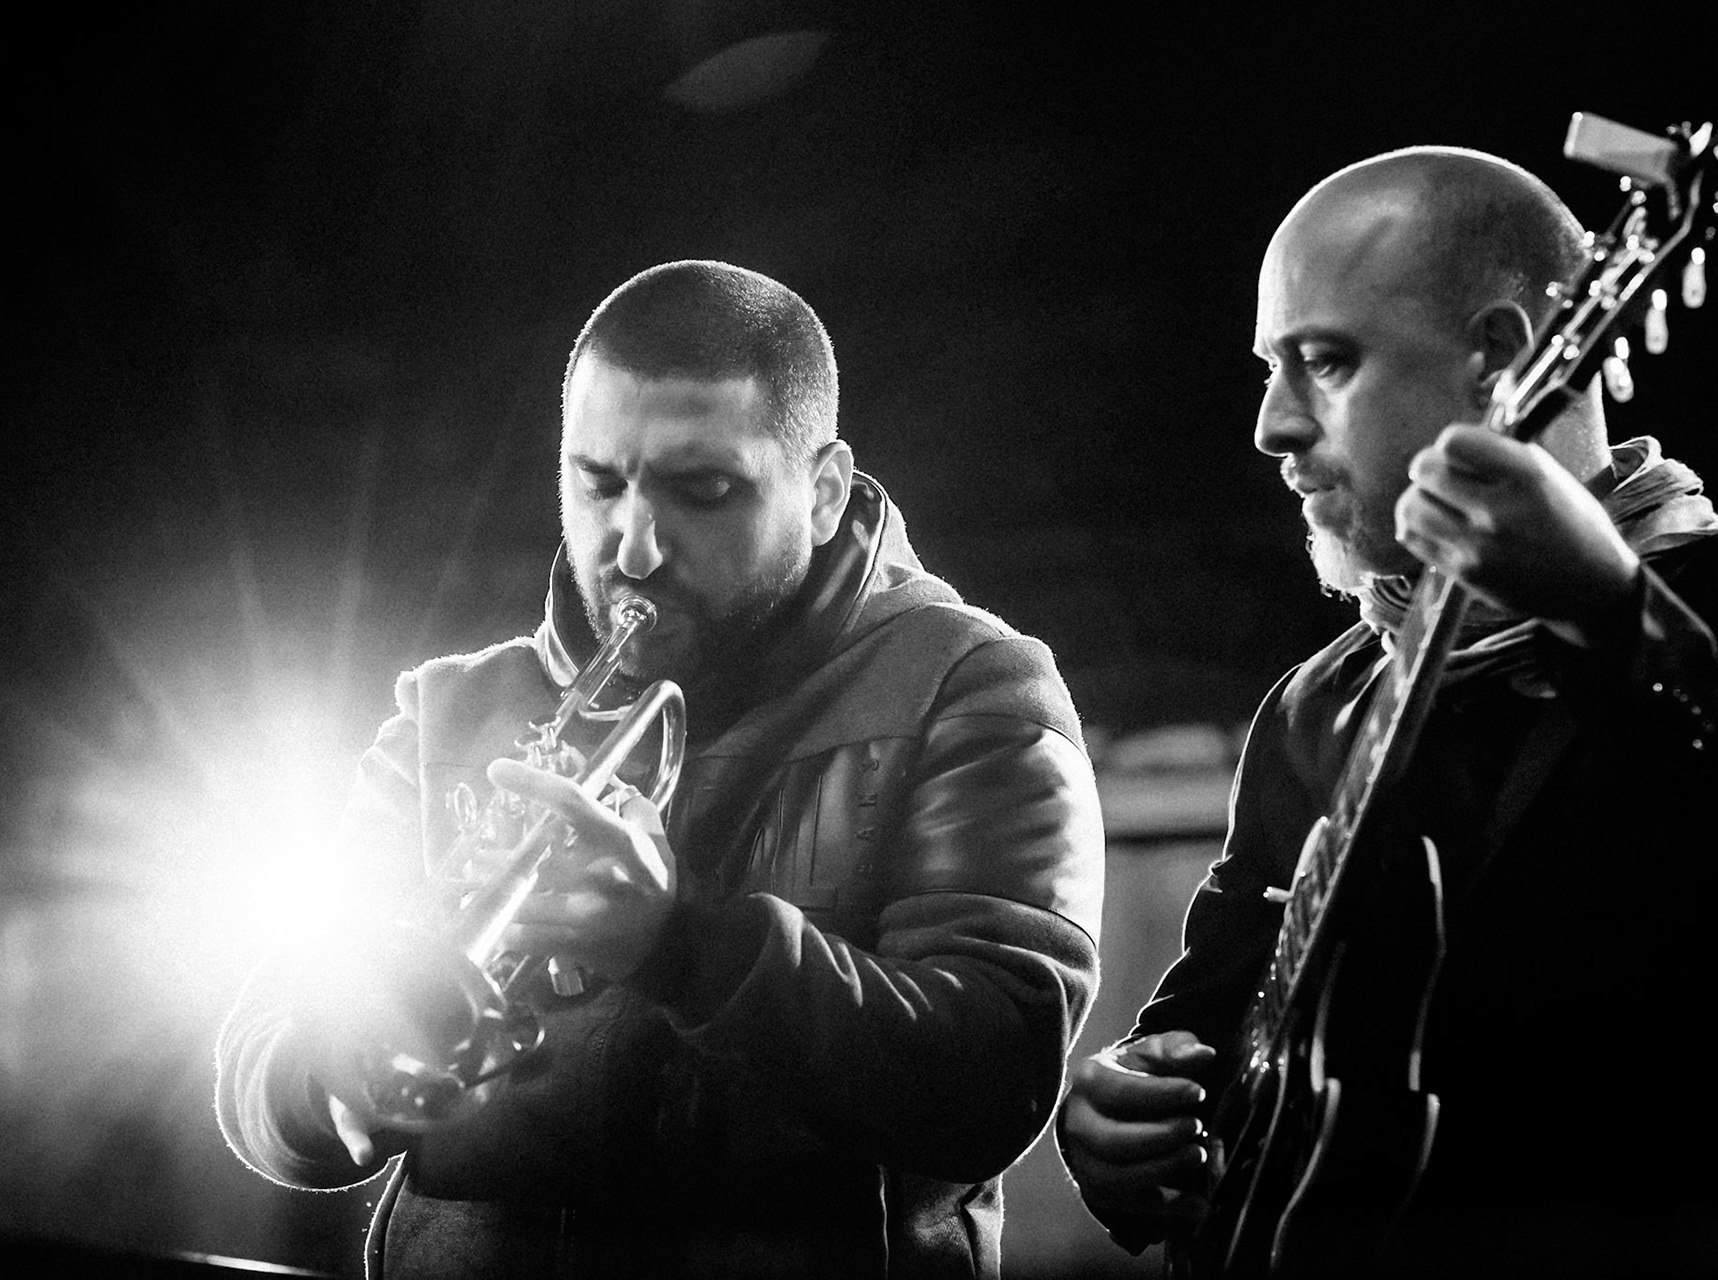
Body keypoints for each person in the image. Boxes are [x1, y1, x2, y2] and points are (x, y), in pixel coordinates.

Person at [1058, 147, 1718, 1278]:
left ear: (1503, 357)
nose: (1271, 425)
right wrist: (1123, 1109)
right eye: (1270, 367)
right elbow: (1221, 1015)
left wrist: (1611, 617)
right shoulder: (1318, 703)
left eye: (1324, 361)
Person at [215, 260, 1106, 1279]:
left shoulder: (973, 685)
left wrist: (685, 944)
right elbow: (258, 1068)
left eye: (703, 490)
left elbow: (992, 1078)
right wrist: (333, 1067)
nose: (631, 547)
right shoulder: (446, 710)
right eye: (597, 483)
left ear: (820, 492)